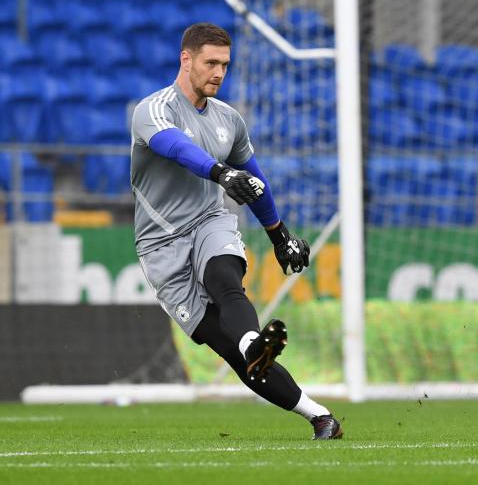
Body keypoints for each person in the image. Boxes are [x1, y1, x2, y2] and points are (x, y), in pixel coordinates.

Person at [131, 23, 342, 439]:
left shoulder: (230, 120)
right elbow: (176, 147)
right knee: (229, 350)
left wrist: (279, 236)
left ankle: (252, 342)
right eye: (211, 62)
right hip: (160, 246)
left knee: (227, 281)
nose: (219, 73)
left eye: (225, 65)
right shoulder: (153, 110)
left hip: (210, 221)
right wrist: (220, 171)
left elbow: (255, 180)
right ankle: (319, 415)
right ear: (186, 59)